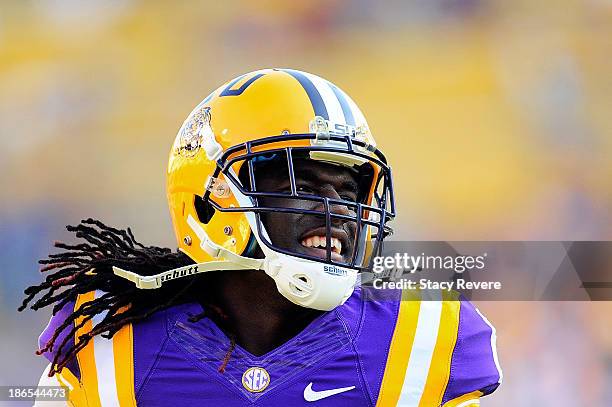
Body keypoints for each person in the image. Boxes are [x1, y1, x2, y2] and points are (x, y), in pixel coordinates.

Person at [21, 69, 501, 406]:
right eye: (303, 186)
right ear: (210, 200)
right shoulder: (111, 342)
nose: (338, 213)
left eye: (349, 192)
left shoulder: (417, 338)